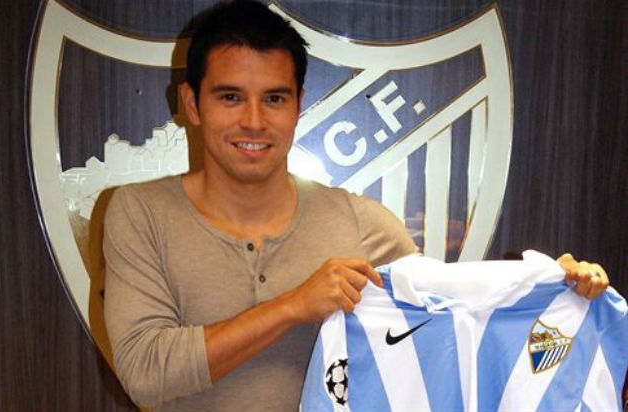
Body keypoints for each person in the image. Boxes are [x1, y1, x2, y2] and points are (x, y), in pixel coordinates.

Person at [102, 1, 609, 411]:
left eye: (274, 99)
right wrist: (292, 306)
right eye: (230, 97)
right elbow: (145, 372)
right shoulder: (140, 214)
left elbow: (456, 327)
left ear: (299, 105)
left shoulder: (362, 224)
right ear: (192, 103)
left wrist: (551, 289)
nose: (254, 121)